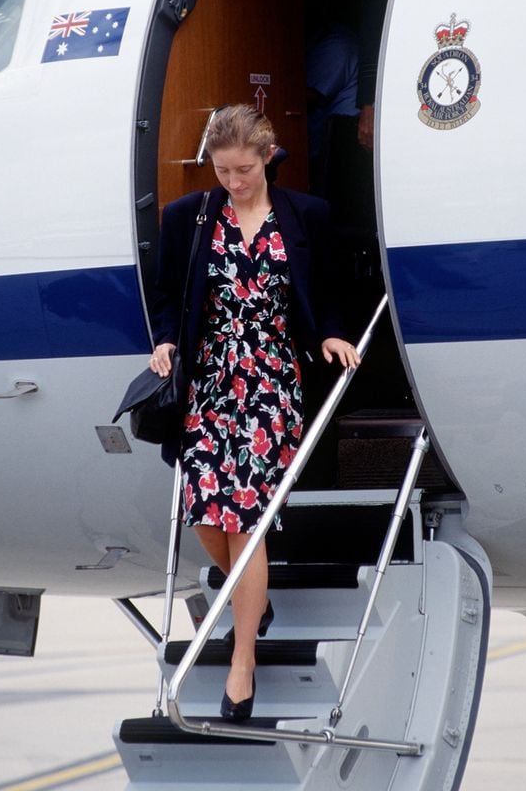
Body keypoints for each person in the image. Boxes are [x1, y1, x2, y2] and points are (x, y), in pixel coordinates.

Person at [149, 104, 360, 722]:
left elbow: (330, 286)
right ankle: (252, 597)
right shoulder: (188, 218)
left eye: (243, 169)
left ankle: (244, 666)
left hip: (271, 382)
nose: (233, 182)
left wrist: (332, 332)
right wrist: (164, 340)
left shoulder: (306, 216)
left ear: (267, 156)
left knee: (246, 517)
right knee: (205, 516)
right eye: (221, 171)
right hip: (212, 380)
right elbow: (166, 295)